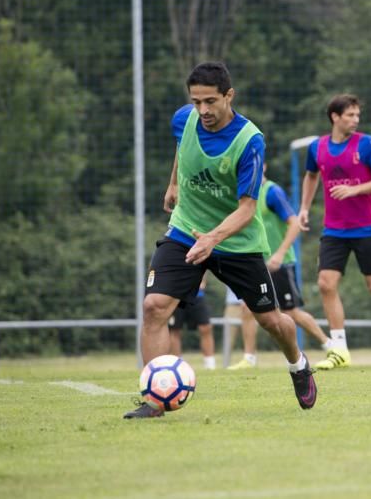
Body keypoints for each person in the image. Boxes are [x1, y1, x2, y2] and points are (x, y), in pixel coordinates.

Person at [125, 62, 316, 418]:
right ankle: (155, 400)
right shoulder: (184, 119)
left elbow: (247, 209)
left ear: (229, 96)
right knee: (153, 307)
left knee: (272, 321)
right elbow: (182, 146)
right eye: (196, 102)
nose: (203, 111)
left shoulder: (250, 141)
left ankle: (299, 364)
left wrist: (212, 238)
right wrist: (174, 183)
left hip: (236, 241)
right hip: (185, 230)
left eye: (210, 101)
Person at [298, 94, 371, 370]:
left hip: (365, 228)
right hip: (334, 230)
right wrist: (303, 208)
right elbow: (311, 176)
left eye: (357, 115)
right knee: (325, 284)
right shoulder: (317, 147)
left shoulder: (367, 144)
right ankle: (340, 349)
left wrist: (354, 189)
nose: (355, 120)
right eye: (350, 115)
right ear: (335, 117)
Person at [227, 164, 332, 370]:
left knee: (291, 312)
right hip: (257, 262)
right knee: (247, 308)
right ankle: (249, 358)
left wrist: (280, 254)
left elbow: (294, 224)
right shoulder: (242, 195)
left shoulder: (272, 192)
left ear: (264, 166)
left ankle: (329, 345)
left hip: (280, 262)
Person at [168, 275, 216, 370]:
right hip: (176, 296)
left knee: (206, 328)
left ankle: (210, 365)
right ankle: (178, 366)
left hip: (197, 295)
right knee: (175, 330)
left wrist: (203, 281)